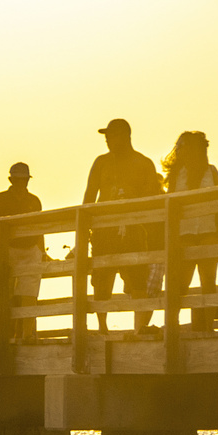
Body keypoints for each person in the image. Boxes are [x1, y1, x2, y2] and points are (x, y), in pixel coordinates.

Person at [84, 118, 164, 333]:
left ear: (125, 136)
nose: (108, 140)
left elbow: (153, 199)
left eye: (111, 136)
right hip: (104, 230)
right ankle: (102, 328)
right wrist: (86, 228)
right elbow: (89, 198)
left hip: (135, 229)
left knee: (138, 279)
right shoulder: (101, 162)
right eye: (106, 137)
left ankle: (139, 328)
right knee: (102, 280)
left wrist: (132, 201)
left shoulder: (143, 163)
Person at [163, 131, 218, 331]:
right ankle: (173, 324)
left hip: (209, 230)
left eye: (182, 146)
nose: (178, 150)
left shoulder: (211, 171)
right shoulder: (175, 174)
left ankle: (208, 326)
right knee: (180, 283)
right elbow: (169, 204)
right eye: (178, 147)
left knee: (209, 282)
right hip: (184, 233)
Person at [0, 162, 45, 341]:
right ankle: (1, 333)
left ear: (27, 180)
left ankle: (26, 333)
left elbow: (40, 228)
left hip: (30, 249)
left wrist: (41, 252)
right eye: (19, 180)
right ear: (11, 180)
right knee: (3, 294)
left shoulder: (34, 200)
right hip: (6, 249)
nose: (21, 183)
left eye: (23, 180)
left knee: (29, 293)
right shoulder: (0, 199)